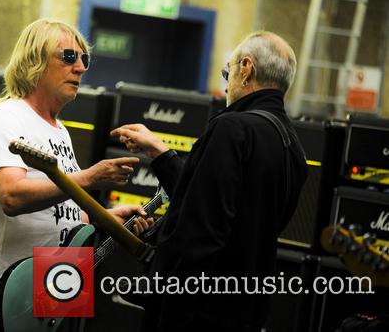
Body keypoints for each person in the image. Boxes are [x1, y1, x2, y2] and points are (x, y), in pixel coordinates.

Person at [0, 19, 152, 331]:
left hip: (52, 287)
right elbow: (11, 195)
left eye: (84, 59)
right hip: (8, 294)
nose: (80, 68)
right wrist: (90, 177)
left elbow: (66, 211)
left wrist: (107, 217)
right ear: (34, 60)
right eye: (68, 57)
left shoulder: (59, 130)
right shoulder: (7, 117)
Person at [111, 31, 308, 331]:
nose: (225, 83)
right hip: (246, 310)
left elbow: (200, 231)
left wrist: (168, 313)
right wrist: (161, 152)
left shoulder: (232, 128)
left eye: (226, 72)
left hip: (198, 311)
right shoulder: (293, 146)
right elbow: (221, 209)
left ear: (246, 68)